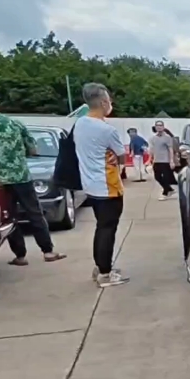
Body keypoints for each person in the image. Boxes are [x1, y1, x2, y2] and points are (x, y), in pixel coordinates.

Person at [0, 91, 67, 266]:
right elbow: (33, 150)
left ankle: (20, 255)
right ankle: (48, 251)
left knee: (9, 217)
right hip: (21, 176)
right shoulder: (15, 124)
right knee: (35, 213)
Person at [74, 83, 129, 287]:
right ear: (104, 102)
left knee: (101, 227)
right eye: (109, 101)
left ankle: (101, 266)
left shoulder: (80, 124)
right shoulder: (107, 129)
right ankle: (105, 273)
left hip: (90, 185)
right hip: (108, 186)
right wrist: (116, 157)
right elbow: (123, 156)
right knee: (108, 229)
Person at [150, 120, 177, 200]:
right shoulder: (153, 138)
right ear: (155, 127)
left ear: (163, 127)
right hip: (156, 160)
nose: (159, 127)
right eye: (157, 125)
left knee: (165, 177)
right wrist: (150, 159)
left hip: (165, 160)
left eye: (160, 125)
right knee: (157, 177)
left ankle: (165, 193)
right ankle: (170, 189)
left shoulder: (167, 137)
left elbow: (170, 149)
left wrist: (171, 161)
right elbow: (152, 149)